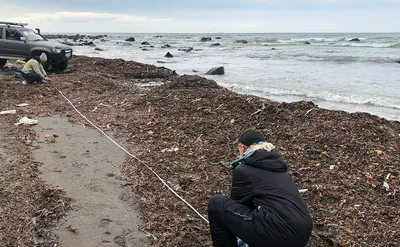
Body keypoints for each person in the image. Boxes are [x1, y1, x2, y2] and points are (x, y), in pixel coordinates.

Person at [208, 130, 313, 247]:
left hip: (279, 233)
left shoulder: (243, 170)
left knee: (216, 204)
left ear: (242, 148)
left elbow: (237, 209)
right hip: (302, 232)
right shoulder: (279, 169)